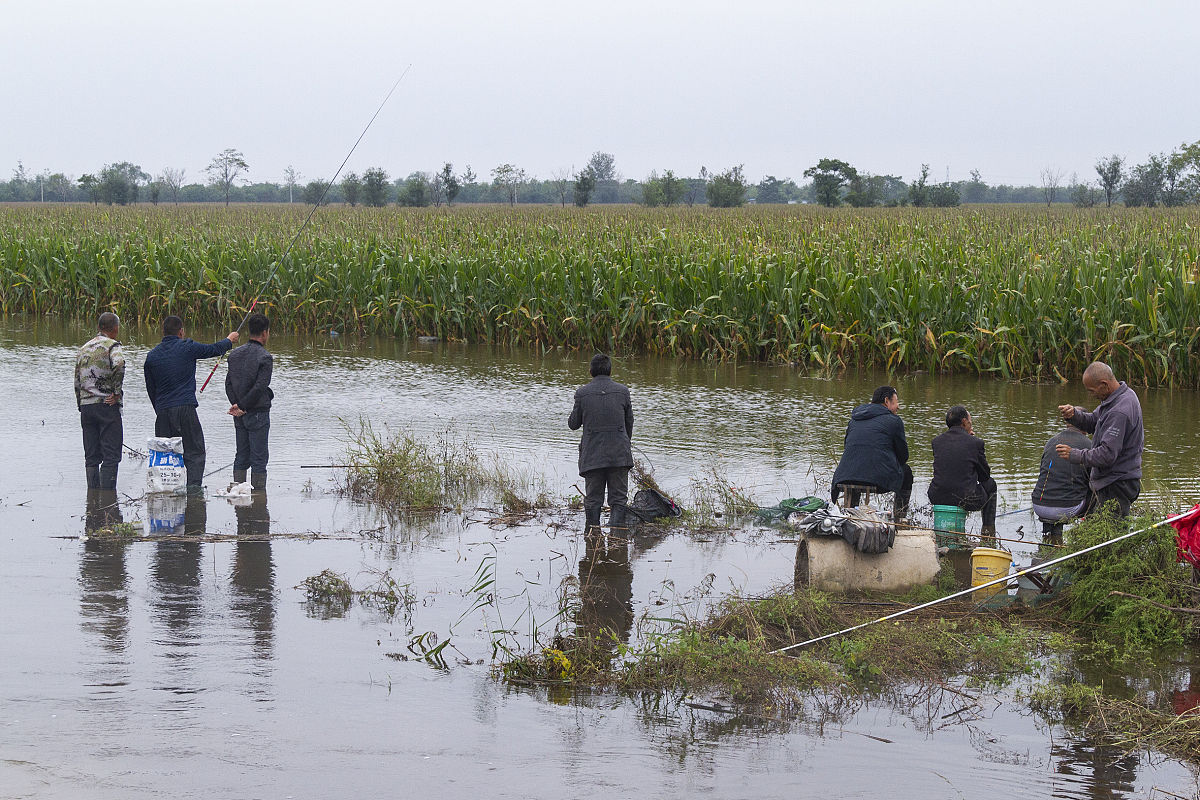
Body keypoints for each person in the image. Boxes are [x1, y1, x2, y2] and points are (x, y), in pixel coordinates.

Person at [144, 315, 238, 491]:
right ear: (181, 332)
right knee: (194, 452)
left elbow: (151, 389)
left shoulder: (151, 356)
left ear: (162, 332)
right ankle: (194, 492)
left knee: (166, 454)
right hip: (186, 409)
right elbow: (214, 349)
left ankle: (167, 490)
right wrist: (229, 340)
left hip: (163, 411)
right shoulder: (187, 347)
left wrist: (160, 410)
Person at [1056, 361, 1144, 517]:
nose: (1091, 395)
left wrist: (1074, 455)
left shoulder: (1120, 411)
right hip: (1112, 481)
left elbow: (1107, 454)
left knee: (1110, 535)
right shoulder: (1118, 397)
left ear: (1104, 384)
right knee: (1097, 528)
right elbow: (1093, 422)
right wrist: (1074, 415)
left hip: (1117, 483)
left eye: (1092, 390)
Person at [568, 353, 634, 534]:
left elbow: (573, 424)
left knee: (593, 500)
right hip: (619, 455)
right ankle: (617, 542)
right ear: (610, 371)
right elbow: (630, 423)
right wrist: (624, 444)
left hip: (592, 456)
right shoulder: (623, 391)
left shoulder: (582, 393)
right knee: (619, 500)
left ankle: (592, 540)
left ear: (590, 371)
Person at [829, 385, 912, 521]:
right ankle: (899, 518)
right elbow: (903, 457)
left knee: (857, 470)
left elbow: (847, 447)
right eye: (896, 402)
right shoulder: (894, 421)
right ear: (887, 401)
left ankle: (850, 516)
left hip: (845, 475)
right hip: (876, 479)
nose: (898, 407)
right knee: (906, 472)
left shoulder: (854, 419)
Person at [928, 405, 997, 539]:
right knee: (991, 484)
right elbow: (984, 476)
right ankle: (988, 532)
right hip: (966, 499)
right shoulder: (976, 443)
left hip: (937, 495)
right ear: (964, 422)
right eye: (970, 420)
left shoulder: (936, 441)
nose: (971, 423)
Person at [75, 312, 125, 490]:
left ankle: (93, 498)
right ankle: (107, 498)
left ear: (99, 327)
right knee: (111, 455)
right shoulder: (112, 346)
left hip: (86, 406)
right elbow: (119, 364)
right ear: (116, 328)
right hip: (106, 404)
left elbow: (77, 380)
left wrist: (81, 404)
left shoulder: (84, 348)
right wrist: (116, 393)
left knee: (91, 455)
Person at [225, 313, 273, 491]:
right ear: (265, 333)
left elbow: (228, 384)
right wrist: (243, 406)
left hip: (239, 414)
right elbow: (261, 386)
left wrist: (237, 405)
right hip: (257, 413)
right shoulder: (265, 357)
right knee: (259, 459)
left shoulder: (234, 354)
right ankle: (259, 499)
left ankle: (239, 497)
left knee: (241, 456)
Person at [1031, 420, 1092, 541]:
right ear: (1085, 426)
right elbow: (1093, 479)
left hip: (1038, 505)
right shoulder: (1089, 444)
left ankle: (1049, 536)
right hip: (1068, 508)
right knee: (1098, 493)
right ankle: (1089, 536)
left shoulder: (1051, 441)